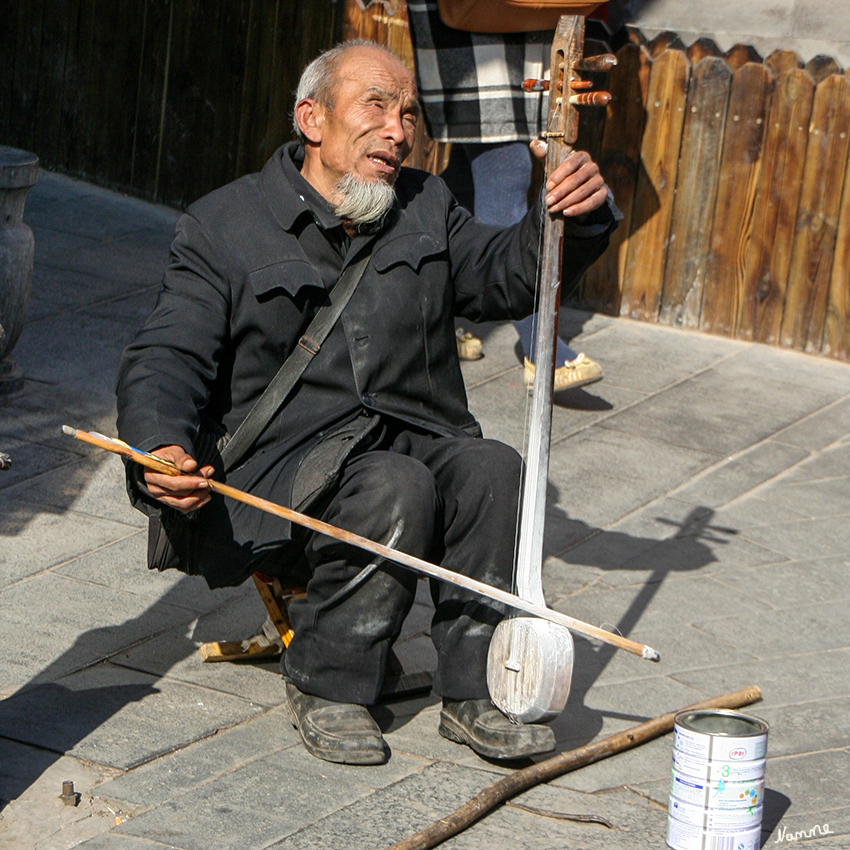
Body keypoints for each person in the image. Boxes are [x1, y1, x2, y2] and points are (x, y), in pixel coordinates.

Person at [116, 40, 616, 766]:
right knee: (394, 484)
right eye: (377, 106)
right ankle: (329, 682)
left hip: (408, 436)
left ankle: (475, 687)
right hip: (280, 471)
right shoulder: (224, 224)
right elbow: (168, 354)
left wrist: (571, 214)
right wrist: (158, 448)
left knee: (492, 468)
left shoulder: (427, 203)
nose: (399, 129)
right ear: (311, 119)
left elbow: (506, 281)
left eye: (409, 112)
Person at [407, 2, 606, 390]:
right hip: (469, 17)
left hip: (522, 14)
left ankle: (419, 312)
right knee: (506, 166)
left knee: (465, 179)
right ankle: (537, 339)